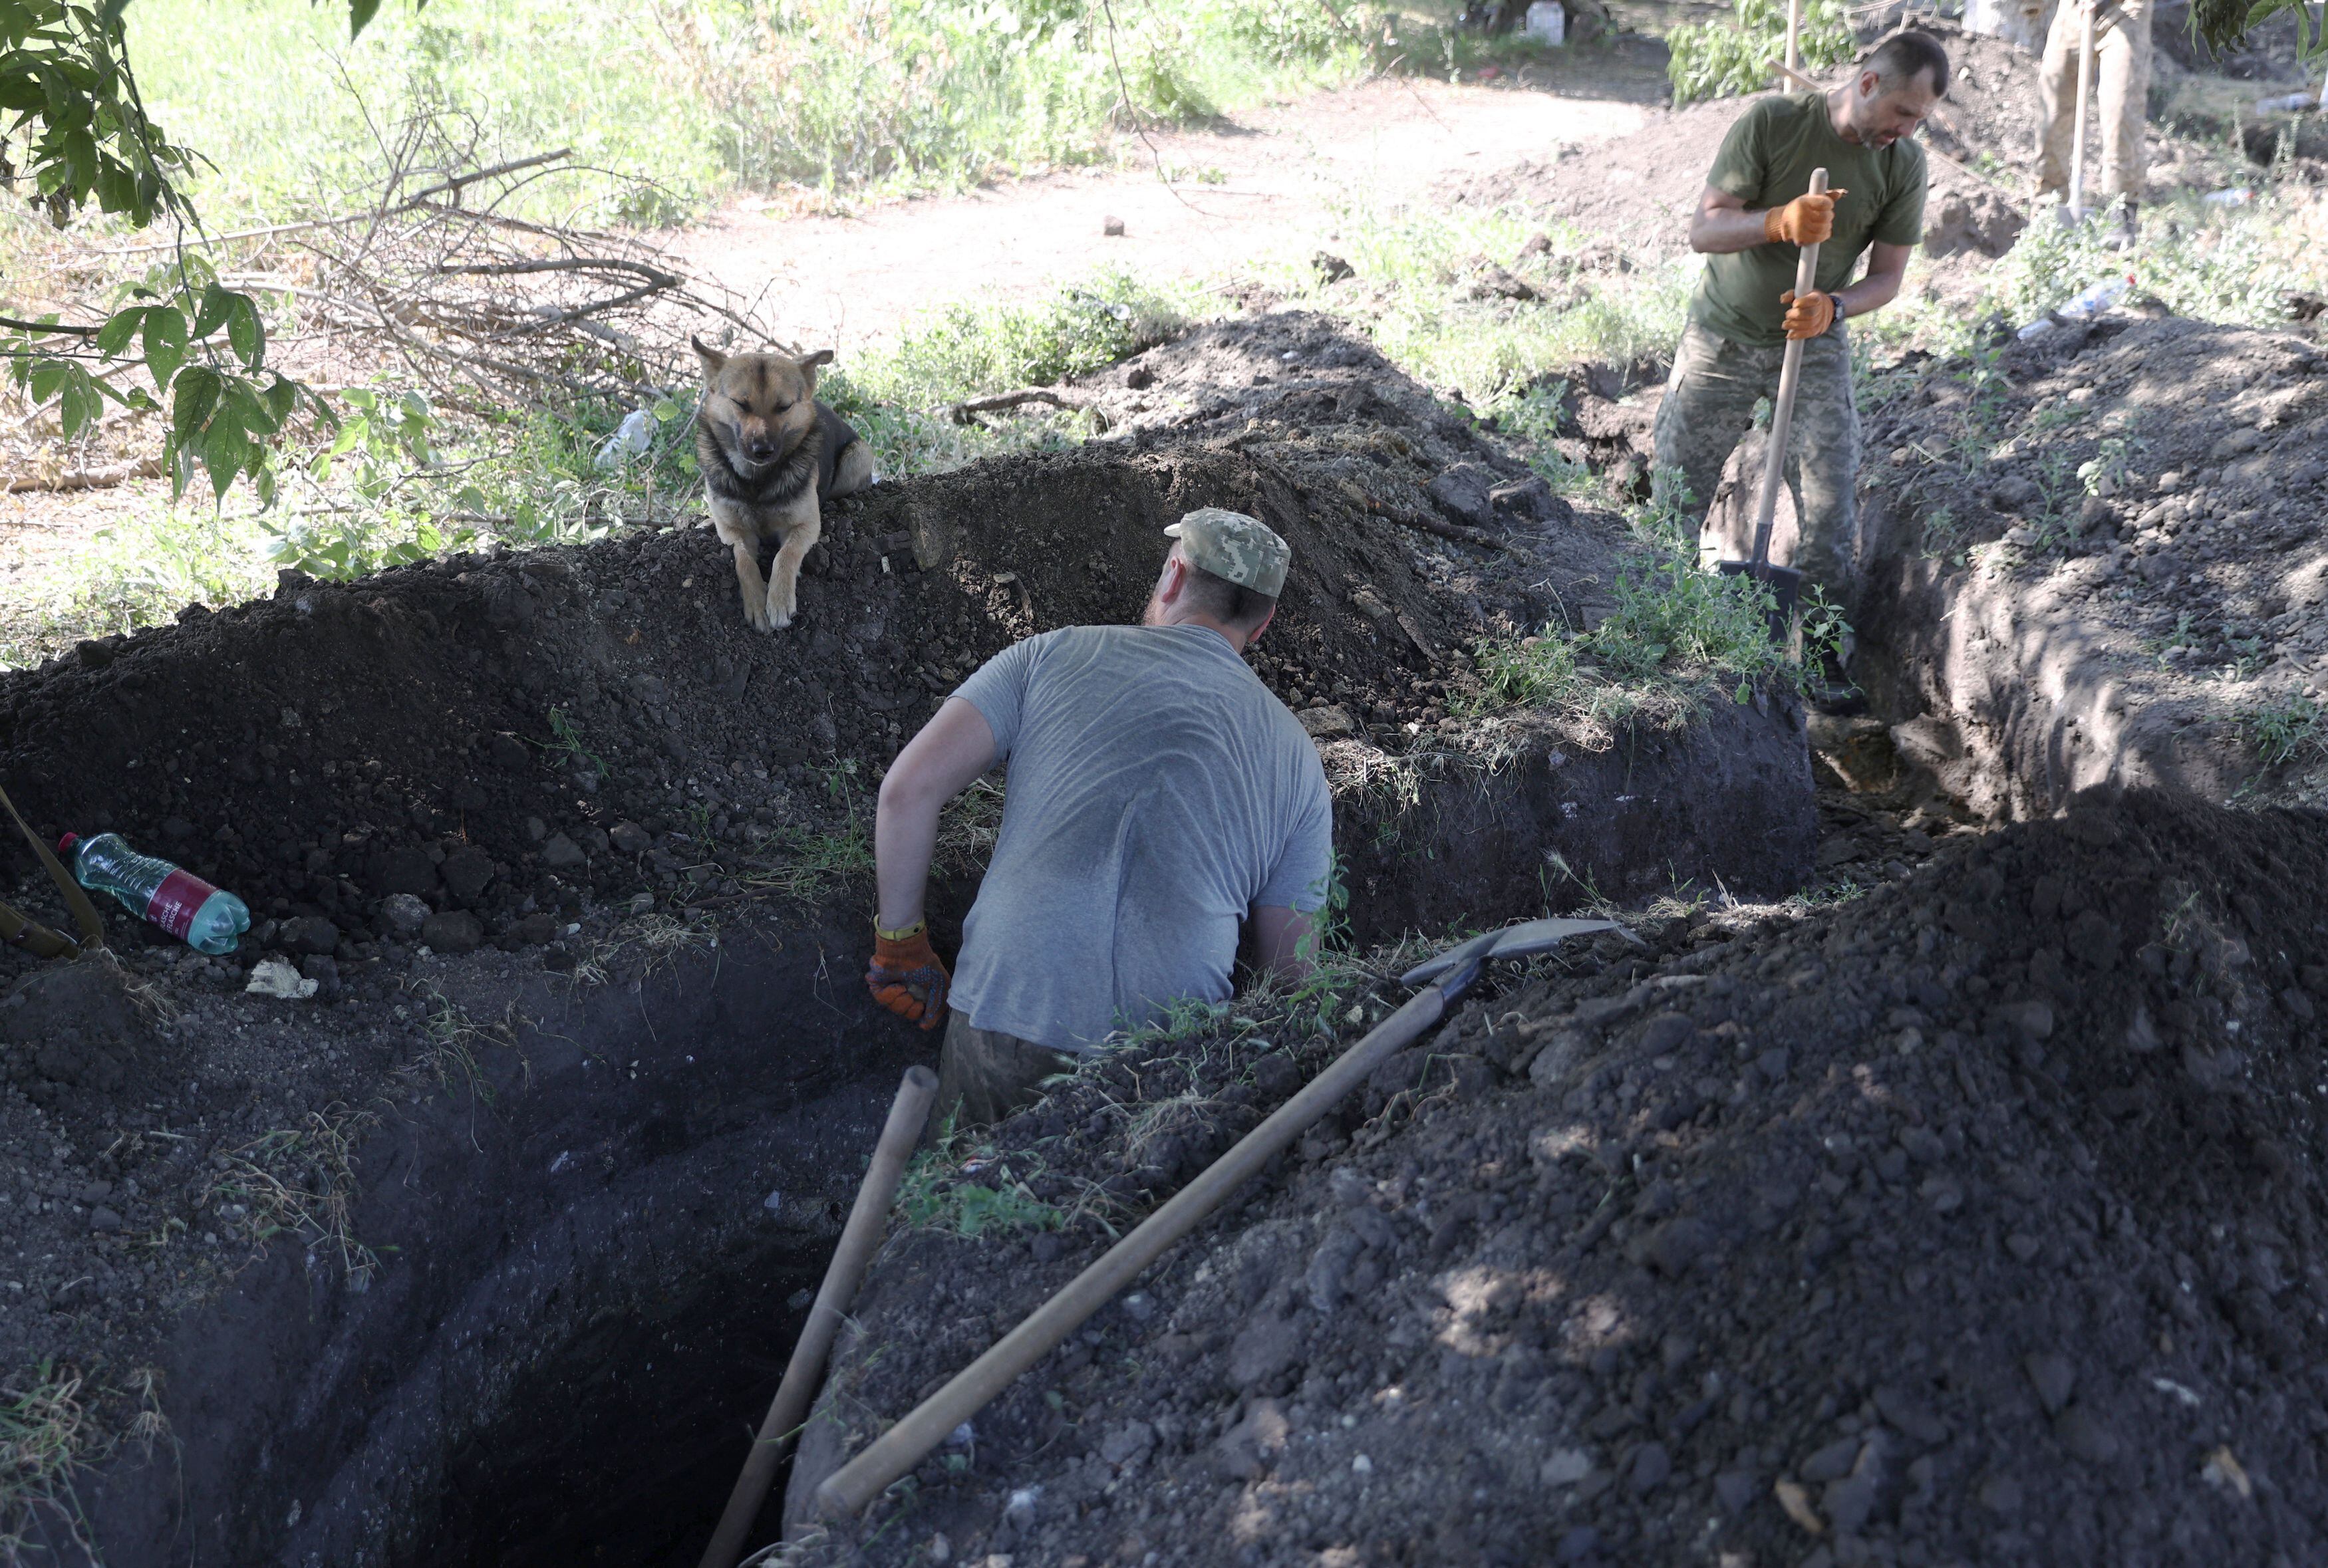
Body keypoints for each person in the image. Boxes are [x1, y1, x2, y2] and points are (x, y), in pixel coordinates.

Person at [863, 508, 1335, 1130]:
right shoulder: (1298, 758)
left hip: (1010, 1014)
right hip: (1167, 1057)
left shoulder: (1049, 656)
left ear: (1172, 577)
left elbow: (907, 790)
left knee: (963, 1211)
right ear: (1264, 622)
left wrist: (901, 945)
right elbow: (1293, 979)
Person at [1652, 29, 1946, 707]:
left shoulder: (1902, 164)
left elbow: (1889, 277)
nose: (1905, 130)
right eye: (1902, 113)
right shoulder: (1772, 124)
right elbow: (1704, 229)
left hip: (1810, 346)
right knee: (1674, 494)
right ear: (1868, 84)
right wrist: (1778, 221)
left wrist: (1834, 307)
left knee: (1828, 507)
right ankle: (1660, 639)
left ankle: (1819, 657)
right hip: (1721, 340)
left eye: (1918, 121)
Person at [2035, 0, 2152, 240]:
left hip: (2127, 10)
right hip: (2074, 9)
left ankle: (2121, 208)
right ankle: (2048, 205)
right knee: (2054, 104)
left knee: (2120, 108)